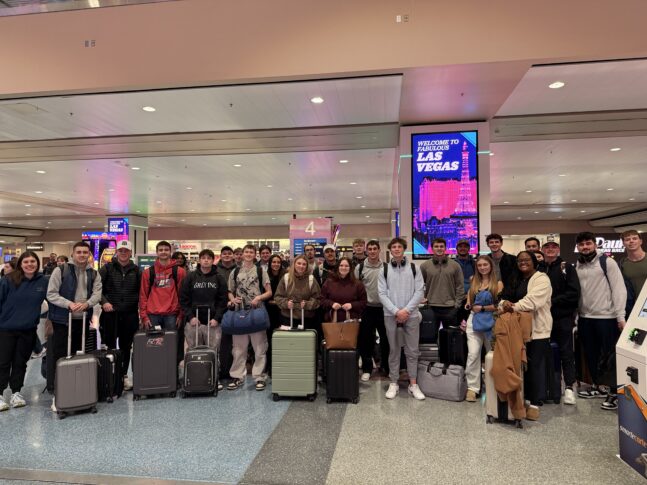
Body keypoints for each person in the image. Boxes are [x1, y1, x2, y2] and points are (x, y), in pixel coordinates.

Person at [46, 241, 102, 411]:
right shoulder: (60, 270)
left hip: (83, 319)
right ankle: (59, 393)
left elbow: (97, 293)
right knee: (61, 355)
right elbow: (51, 294)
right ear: (73, 254)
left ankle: (79, 391)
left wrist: (86, 304)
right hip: (62, 320)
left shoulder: (94, 273)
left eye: (85, 252)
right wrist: (69, 304)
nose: (82, 255)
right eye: (79, 252)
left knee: (80, 355)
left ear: (89, 254)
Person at [575, 232, 626, 411]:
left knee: (609, 357)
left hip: (607, 317)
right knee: (591, 354)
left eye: (588, 243)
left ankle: (613, 392)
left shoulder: (607, 263)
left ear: (595, 245)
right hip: (585, 318)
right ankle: (597, 386)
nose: (585, 247)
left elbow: (619, 289)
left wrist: (621, 316)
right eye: (582, 245)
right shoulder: (578, 265)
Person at [499, 251, 552, 421]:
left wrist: (512, 306)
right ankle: (524, 399)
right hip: (516, 331)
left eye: (526, 260)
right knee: (520, 367)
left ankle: (535, 403)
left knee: (535, 366)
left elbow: (533, 301)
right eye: (520, 260)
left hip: (537, 331)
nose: (523, 263)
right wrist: (504, 303)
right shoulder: (515, 279)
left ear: (534, 262)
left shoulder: (541, 279)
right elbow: (502, 298)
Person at [378, 237, 425, 400]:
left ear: (404, 249)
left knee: (412, 351)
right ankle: (394, 382)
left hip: (411, 316)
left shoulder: (414, 268)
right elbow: (382, 294)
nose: (397, 249)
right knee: (394, 350)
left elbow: (420, 291)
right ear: (390, 250)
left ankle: (413, 384)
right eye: (394, 247)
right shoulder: (383, 269)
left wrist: (406, 311)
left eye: (399, 247)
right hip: (390, 316)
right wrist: (396, 311)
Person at [0, 252, 48, 411]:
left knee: (20, 363)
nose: (29, 264)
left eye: (33, 261)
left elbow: (52, 298)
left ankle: (16, 392)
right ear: (20, 264)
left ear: (37, 263)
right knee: (3, 362)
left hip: (27, 330)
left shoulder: (43, 281)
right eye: (26, 261)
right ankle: (0, 394)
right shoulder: (8, 280)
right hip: (5, 329)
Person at [538, 238, 580, 405]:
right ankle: (546, 386)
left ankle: (569, 387)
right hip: (541, 318)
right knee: (542, 352)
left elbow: (574, 293)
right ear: (542, 249)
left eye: (553, 247)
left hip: (562, 318)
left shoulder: (566, 268)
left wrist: (552, 301)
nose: (550, 249)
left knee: (566, 352)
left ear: (558, 249)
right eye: (547, 247)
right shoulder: (539, 268)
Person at [179, 249, 228, 391]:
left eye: (209, 258)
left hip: (212, 322)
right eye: (203, 258)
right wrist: (190, 317)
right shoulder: (190, 277)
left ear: (213, 260)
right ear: (199, 260)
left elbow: (222, 300)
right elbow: (183, 299)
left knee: (213, 351)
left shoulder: (219, 278)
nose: (206, 260)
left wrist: (217, 318)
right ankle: (195, 378)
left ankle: (214, 378)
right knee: (194, 351)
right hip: (194, 322)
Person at [227, 244, 272, 391]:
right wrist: (232, 299)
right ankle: (237, 376)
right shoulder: (235, 272)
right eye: (246, 251)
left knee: (259, 346)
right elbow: (230, 291)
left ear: (255, 255)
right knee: (239, 348)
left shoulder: (261, 271)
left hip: (256, 312)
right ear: (242, 254)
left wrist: (259, 297)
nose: (248, 254)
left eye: (251, 252)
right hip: (239, 313)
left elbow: (269, 292)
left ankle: (259, 377)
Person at [98, 240, 140, 391]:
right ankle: (109, 376)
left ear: (130, 253)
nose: (123, 253)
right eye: (121, 250)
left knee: (126, 347)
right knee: (108, 345)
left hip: (130, 314)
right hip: (110, 313)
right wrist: (104, 302)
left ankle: (123, 376)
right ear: (117, 252)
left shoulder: (136, 270)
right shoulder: (107, 269)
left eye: (126, 251)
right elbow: (97, 289)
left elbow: (142, 292)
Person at [463, 255, 502, 402]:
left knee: (492, 356)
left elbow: (499, 305)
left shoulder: (498, 283)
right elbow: (469, 299)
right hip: (474, 320)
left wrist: (484, 308)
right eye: (479, 265)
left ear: (491, 266)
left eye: (485, 265)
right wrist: (469, 305)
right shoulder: (474, 280)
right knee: (473, 354)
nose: (482, 267)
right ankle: (472, 388)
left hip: (491, 321)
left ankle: (494, 386)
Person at [355, 239, 390, 380]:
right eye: (370, 249)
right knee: (366, 340)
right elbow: (356, 289)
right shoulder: (360, 268)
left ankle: (385, 366)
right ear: (366, 251)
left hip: (384, 309)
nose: (372, 251)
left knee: (386, 339)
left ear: (379, 250)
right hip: (367, 309)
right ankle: (367, 369)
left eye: (375, 248)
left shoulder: (387, 267)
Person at [139, 241, 186, 330]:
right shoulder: (148, 272)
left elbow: (183, 295)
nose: (163, 252)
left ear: (170, 252)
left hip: (172, 315)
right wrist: (144, 316)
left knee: (172, 343)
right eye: (160, 250)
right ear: (157, 252)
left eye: (166, 250)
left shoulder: (180, 272)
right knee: (154, 343)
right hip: (152, 315)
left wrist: (180, 315)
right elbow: (143, 295)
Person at [420, 238, 465, 329]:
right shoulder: (424, 266)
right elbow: (419, 286)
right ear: (432, 248)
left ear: (445, 248)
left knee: (450, 340)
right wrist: (422, 300)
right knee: (431, 337)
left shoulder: (455, 265)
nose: (439, 248)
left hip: (450, 307)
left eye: (441, 246)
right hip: (431, 307)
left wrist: (456, 306)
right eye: (436, 246)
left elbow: (460, 287)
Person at [274, 254, 321, 333]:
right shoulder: (286, 278)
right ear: (294, 264)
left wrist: (308, 304)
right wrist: (286, 303)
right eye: (299, 263)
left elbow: (318, 298)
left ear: (307, 266)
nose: (301, 266)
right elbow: (278, 296)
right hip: (287, 317)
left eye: (304, 264)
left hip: (306, 318)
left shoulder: (311, 279)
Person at [320, 256, 367, 328]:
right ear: (337, 267)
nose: (344, 268)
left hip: (352, 322)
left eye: (346, 266)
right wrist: (331, 304)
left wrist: (352, 305)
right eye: (341, 265)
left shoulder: (358, 284)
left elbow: (363, 302)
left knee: (350, 339)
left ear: (350, 268)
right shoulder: (329, 282)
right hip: (332, 321)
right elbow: (322, 300)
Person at [215, 245, 237, 383]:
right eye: (225, 253)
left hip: (237, 307)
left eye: (230, 253)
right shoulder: (215, 270)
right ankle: (223, 370)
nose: (227, 255)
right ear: (221, 255)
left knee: (237, 343)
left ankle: (235, 371)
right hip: (220, 308)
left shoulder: (239, 269)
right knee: (222, 342)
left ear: (233, 255)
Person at [265, 254, 286, 376]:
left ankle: (281, 366)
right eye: (274, 262)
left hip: (282, 311)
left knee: (280, 339)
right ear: (270, 263)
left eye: (278, 262)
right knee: (268, 340)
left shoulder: (285, 276)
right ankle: (270, 367)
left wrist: (277, 301)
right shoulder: (265, 274)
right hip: (268, 311)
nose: (276, 264)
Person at [620, 229, 647, 316]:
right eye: (627, 239)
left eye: (634, 238)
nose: (631, 241)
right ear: (623, 244)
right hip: (634, 309)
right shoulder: (621, 265)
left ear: (641, 241)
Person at [455, 239, 475, 326]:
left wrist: (470, 295)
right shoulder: (452, 264)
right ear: (457, 249)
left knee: (471, 326)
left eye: (465, 246)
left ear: (469, 249)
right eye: (460, 246)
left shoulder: (475, 264)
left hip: (471, 299)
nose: (463, 248)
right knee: (456, 326)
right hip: (456, 300)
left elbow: (478, 281)